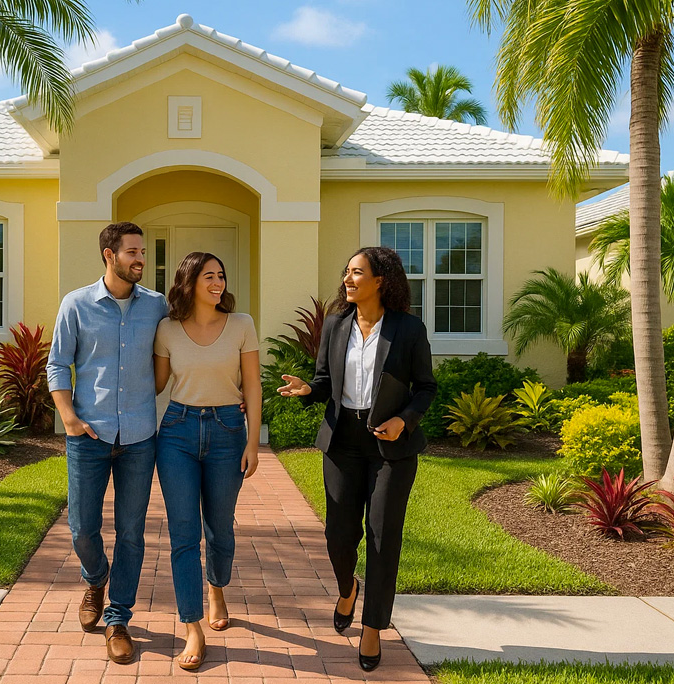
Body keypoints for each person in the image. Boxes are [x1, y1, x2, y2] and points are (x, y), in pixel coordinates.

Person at [277, 246, 436, 672]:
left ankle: (372, 627)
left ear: (381, 280)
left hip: (391, 447)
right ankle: (347, 588)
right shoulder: (336, 324)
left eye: (357, 273)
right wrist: (309, 390)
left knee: (383, 536)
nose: (348, 279)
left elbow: (426, 387)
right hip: (343, 441)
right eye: (346, 272)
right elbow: (326, 381)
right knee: (338, 534)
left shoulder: (407, 329)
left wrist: (405, 420)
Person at [46, 222, 168, 665]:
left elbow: (180, 346)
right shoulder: (76, 304)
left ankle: (118, 617)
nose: (140, 259)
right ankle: (95, 578)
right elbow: (57, 363)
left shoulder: (157, 306)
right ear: (109, 255)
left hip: (139, 437)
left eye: (141, 251)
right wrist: (69, 418)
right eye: (132, 252)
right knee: (82, 528)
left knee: (132, 532)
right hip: (89, 436)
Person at [153, 252, 262, 671]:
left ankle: (217, 587)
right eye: (208, 276)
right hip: (177, 432)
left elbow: (252, 387)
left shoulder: (241, 325)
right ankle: (192, 625)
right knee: (183, 535)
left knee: (220, 530)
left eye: (221, 275)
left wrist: (252, 442)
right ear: (189, 282)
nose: (217, 283)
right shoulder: (166, 328)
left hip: (227, 432)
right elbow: (157, 383)